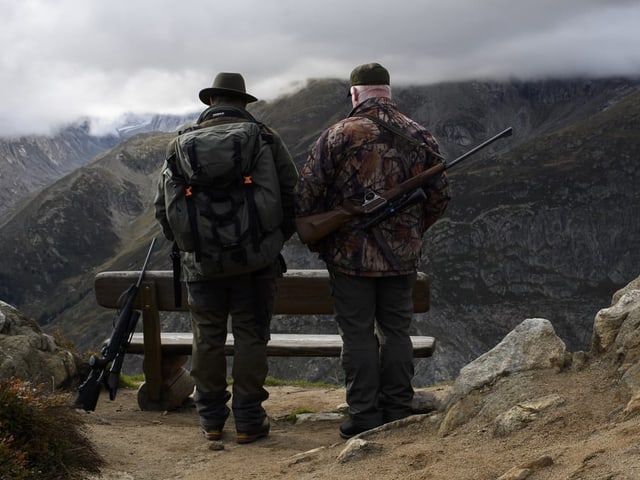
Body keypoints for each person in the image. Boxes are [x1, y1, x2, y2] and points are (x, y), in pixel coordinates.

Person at [294, 63, 450, 439]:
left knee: (358, 335)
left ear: (354, 94)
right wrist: (409, 232)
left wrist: (336, 229)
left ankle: (364, 414)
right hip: (402, 258)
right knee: (398, 331)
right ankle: (398, 407)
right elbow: (440, 198)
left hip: (350, 258)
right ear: (387, 91)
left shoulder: (338, 134)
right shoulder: (420, 135)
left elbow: (305, 196)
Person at [154, 72, 298, 444]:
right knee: (251, 335)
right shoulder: (264, 138)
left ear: (212, 102)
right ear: (243, 102)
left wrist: (190, 246)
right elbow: (292, 195)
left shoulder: (180, 144)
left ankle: (212, 419)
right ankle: (249, 419)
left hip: (201, 265)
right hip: (256, 262)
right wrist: (272, 241)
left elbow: (162, 209)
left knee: (207, 337)